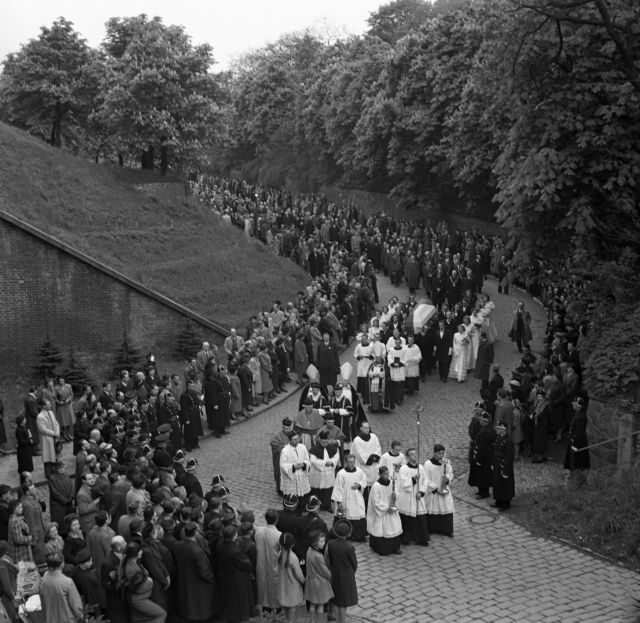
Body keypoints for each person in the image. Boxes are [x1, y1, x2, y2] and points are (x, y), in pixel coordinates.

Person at [173, 521, 219, 622]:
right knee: (199, 605)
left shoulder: (177, 545)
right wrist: (212, 578)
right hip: (198, 583)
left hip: (184, 579)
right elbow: (204, 571)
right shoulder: (197, 551)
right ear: (196, 532)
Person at [118, 541, 167, 623]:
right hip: (138, 599)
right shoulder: (131, 569)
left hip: (139, 598)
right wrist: (149, 582)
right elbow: (137, 589)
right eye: (139, 550)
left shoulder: (134, 562)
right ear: (135, 554)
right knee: (161, 614)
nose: (142, 551)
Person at [216, 524, 255, 623]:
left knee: (229, 599)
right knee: (239, 601)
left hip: (225, 574)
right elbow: (247, 565)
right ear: (234, 536)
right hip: (236, 577)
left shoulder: (220, 544)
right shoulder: (235, 550)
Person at [325, 519, 358, 623]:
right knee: (343, 602)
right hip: (346, 576)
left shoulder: (330, 543)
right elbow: (354, 563)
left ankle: (334, 617)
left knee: (336, 598)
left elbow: (329, 558)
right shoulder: (349, 547)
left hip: (334, 573)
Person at [366, 466, 402, 556]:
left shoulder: (391, 483)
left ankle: (395, 547)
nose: (387, 475)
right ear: (380, 474)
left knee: (395, 526)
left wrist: (395, 497)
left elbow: (396, 493)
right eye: (385, 474)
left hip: (391, 510)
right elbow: (376, 502)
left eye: (388, 473)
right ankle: (382, 549)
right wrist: (387, 508)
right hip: (382, 512)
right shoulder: (376, 486)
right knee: (382, 529)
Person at [396, 448, 429, 546]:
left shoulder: (421, 467)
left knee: (420, 518)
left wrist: (421, 492)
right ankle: (406, 538)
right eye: (411, 454)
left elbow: (425, 481)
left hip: (418, 496)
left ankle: (422, 539)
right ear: (407, 457)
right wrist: (414, 479)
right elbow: (404, 483)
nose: (414, 456)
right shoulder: (404, 468)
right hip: (408, 496)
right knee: (407, 518)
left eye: (415, 454)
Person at [39, 552, 84, 623]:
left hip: (50, 619)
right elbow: (77, 606)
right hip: (66, 619)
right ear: (62, 564)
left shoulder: (43, 580)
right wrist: (81, 617)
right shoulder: (67, 582)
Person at [331, 455, 367, 542]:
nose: (352, 464)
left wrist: (359, 485)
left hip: (357, 497)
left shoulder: (359, 471)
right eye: (350, 462)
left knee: (359, 513)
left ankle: (358, 536)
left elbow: (364, 481)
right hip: (345, 498)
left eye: (353, 462)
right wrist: (339, 502)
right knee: (345, 514)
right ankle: (345, 535)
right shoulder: (341, 473)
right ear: (346, 462)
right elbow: (337, 488)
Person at [254, 509, 281, 620]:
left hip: (261, 564)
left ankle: (265, 611)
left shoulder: (258, 532)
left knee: (262, 586)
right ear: (276, 520)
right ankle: (275, 611)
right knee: (273, 587)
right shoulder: (279, 535)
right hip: (273, 565)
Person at [423, 444, 455, 537]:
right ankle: (432, 529)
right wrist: (436, 489)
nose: (442, 456)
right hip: (433, 490)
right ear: (434, 453)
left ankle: (447, 530)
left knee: (446, 507)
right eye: (439, 453)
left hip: (444, 488)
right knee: (434, 508)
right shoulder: (428, 464)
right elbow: (426, 479)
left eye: (443, 453)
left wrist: (447, 479)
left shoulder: (446, 462)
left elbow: (450, 473)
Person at [350, 422, 381, 508]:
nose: (367, 429)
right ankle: (364, 506)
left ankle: (373, 505)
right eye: (365, 428)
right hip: (363, 467)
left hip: (373, 468)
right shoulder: (357, 440)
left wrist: (375, 456)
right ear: (360, 428)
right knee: (364, 488)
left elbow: (378, 448)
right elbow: (359, 454)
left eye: (368, 427)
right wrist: (371, 458)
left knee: (374, 487)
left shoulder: (374, 437)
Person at [304, 530, 333, 623]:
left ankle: (312, 621)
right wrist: (331, 577)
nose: (323, 543)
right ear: (314, 542)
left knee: (312, 603)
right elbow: (324, 572)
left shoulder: (309, 550)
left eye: (324, 541)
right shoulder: (318, 556)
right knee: (320, 604)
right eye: (321, 541)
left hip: (310, 580)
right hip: (319, 583)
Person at [276, 533, 304, 623]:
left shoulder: (279, 554)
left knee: (284, 606)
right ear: (293, 544)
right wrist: (303, 581)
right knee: (292, 608)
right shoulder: (293, 558)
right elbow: (299, 574)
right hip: (292, 587)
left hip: (282, 586)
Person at [309, 432, 339, 512]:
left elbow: (336, 457)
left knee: (328, 489)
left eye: (326, 442)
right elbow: (313, 461)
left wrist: (332, 462)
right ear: (319, 440)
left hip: (329, 473)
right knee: (317, 490)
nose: (325, 444)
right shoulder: (314, 449)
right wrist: (325, 463)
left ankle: (327, 505)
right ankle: (315, 504)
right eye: (323, 442)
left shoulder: (333, 448)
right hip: (318, 473)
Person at [468, 412, 496, 499]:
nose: (480, 421)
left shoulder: (485, 432)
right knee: (482, 474)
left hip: (484, 458)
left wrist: (478, 459)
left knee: (483, 475)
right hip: (487, 456)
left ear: (485, 421)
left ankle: (484, 492)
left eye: (481, 420)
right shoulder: (488, 429)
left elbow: (482, 447)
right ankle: (481, 491)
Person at [101, 536, 128, 623]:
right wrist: (116, 585)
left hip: (125, 596)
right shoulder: (108, 563)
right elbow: (104, 583)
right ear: (118, 547)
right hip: (116, 599)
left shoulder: (125, 554)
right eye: (124, 543)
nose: (126, 543)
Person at [279, 433, 311, 506]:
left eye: (298, 439)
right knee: (292, 497)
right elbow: (282, 465)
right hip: (292, 478)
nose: (297, 441)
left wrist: (304, 464)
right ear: (289, 440)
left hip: (302, 475)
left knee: (302, 498)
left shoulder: (303, 447)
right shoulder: (285, 450)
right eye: (294, 439)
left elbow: (307, 459)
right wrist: (293, 467)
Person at [492, 421, 515, 511]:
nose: (496, 430)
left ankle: (505, 503)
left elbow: (509, 458)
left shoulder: (508, 441)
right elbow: (495, 452)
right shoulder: (498, 438)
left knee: (505, 485)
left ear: (503, 429)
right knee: (497, 483)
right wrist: (493, 463)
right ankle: (498, 501)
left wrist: (506, 471)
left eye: (498, 428)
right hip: (498, 464)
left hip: (504, 465)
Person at [564, 397, 590, 472]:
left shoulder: (581, 417)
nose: (573, 406)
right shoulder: (578, 414)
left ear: (579, 406)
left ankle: (576, 475)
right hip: (573, 440)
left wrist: (575, 445)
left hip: (578, 442)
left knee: (577, 461)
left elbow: (579, 432)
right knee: (573, 461)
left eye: (575, 404)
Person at [37, 400, 60, 479]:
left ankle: (55, 470)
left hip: (54, 438)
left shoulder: (51, 413)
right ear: (43, 406)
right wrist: (54, 433)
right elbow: (43, 429)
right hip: (47, 439)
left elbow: (56, 423)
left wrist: (57, 431)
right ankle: (48, 473)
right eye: (48, 404)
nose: (50, 405)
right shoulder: (40, 416)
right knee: (48, 456)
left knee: (55, 454)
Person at [270, 418, 294, 496]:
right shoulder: (277, 436)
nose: (287, 430)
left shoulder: (294, 434)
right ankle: (280, 489)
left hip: (290, 460)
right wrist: (284, 447)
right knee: (280, 474)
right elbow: (273, 444)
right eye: (285, 429)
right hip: (280, 459)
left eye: (289, 429)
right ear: (282, 427)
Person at [0, 540, 17, 623]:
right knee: (9, 616)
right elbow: (6, 586)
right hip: (6, 597)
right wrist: (12, 595)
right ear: (6, 551)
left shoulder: (5, 560)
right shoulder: (3, 565)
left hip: (10, 594)